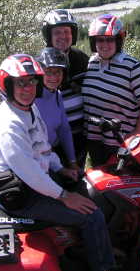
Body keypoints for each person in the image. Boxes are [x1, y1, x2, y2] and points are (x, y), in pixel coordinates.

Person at [0, 54, 115, 271]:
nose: (28, 88)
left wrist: (61, 168)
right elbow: (30, 173)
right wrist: (65, 197)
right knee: (92, 215)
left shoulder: (28, 109)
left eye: (32, 82)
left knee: (95, 190)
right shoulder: (9, 125)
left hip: (37, 180)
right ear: (7, 86)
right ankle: (104, 267)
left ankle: (84, 247)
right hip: (23, 193)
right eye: (20, 83)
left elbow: (43, 147)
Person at [82, 14, 140, 166]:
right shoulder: (91, 63)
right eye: (100, 40)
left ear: (118, 41)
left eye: (110, 39)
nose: (104, 44)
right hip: (94, 138)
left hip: (120, 141)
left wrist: (137, 132)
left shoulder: (132, 66)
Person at [42, 9, 89, 168]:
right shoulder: (42, 62)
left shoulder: (81, 59)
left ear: (73, 34)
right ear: (49, 36)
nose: (63, 36)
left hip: (80, 133)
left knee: (77, 174)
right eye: (57, 32)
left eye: (66, 31)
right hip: (53, 137)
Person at [35, 47, 78, 171]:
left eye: (58, 71)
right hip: (37, 159)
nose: (54, 77)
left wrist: (72, 161)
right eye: (48, 72)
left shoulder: (57, 94)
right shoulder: (31, 98)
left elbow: (64, 130)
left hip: (54, 154)